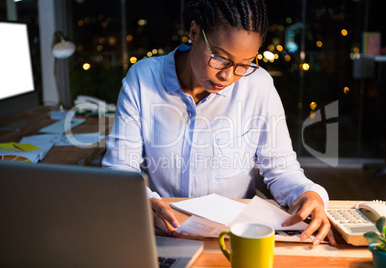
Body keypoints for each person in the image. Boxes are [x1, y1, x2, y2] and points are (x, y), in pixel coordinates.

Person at [102, 0, 336, 245]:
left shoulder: (258, 86)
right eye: (220, 58)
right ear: (193, 33)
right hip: (165, 231)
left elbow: (281, 168)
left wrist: (307, 193)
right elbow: (120, 167)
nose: (228, 76)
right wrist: (143, 201)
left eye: (244, 65)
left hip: (234, 236)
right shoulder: (143, 79)